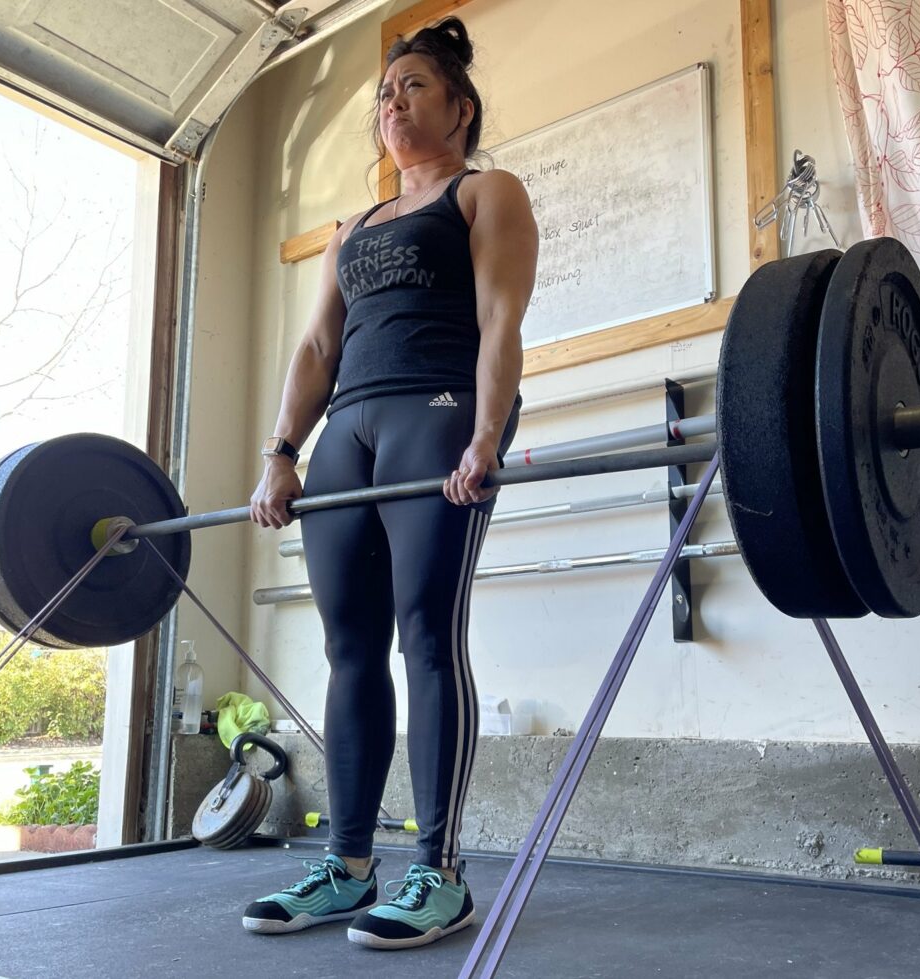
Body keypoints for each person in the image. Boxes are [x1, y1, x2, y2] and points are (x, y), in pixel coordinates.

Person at [241, 17, 538, 951]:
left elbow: (499, 319)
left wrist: (487, 432)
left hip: (439, 410)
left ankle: (441, 872)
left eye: (412, 86)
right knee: (350, 646)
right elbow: (318, 345)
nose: (392, 101)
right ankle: (348, 863)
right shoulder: (350, 230)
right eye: (384, 92)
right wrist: (281, 449)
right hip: (347, 432)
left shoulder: (485, 193)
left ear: (460, 107)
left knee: (425, 631)